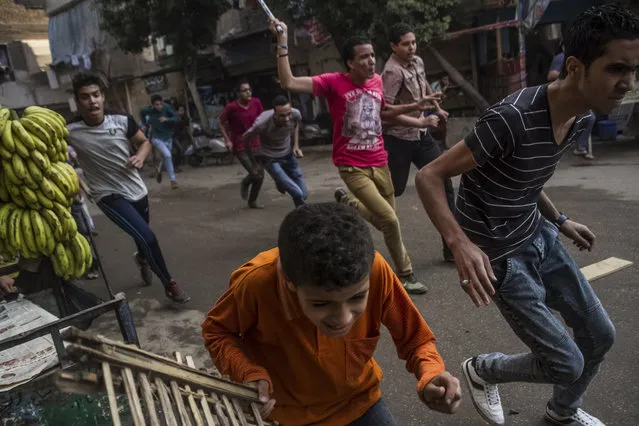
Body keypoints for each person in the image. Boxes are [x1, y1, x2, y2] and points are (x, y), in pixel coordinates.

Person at [415, 5, 638, 425]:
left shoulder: (580, 116)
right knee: (566, 363)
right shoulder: (511, 118)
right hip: (499, 256)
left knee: (600, 336)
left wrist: (559, 220)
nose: (627, 83)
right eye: (616, 69)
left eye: (633, 69)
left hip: (538, 236)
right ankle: (483, 369)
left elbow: (527, 176)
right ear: (576, 66)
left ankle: (562, 410)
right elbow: (430, 175)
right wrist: (460, 244)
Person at [202, 203, 461, 425]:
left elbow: (415, 337)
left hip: (360, 403)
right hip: (285, 415)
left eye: (357, 298)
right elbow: (217, 331)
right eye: (321, 304)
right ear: (290, 283)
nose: (343, 318)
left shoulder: (375, 270)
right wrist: (247, 372)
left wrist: (430, 373)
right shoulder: (257, 284)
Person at [269, 18, 440, 294]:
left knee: (387, 223)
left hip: (380, 161)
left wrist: (417, 111)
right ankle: (406, 275)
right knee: (391, 220)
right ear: (350, 63)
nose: (371, 61)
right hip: (352, 166)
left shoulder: (375, 82)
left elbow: (384, 113)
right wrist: (282, 40)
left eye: (372, 55)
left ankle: (350, 204)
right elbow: (287, 80)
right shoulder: (332, 83)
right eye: (364, 57)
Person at [67, 73, 191, 304]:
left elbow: (144, 142)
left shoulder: (122, 121)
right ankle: (169, 284)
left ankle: (142, 259)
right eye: (85, 97)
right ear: (77, 101)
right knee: (148, 237)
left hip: (136, 189)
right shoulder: (70, 131)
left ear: (103, 97)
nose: (92, 101)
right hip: (107, 194)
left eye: (96, 95)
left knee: (142, 236)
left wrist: (141, 157)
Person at [382, 23, 456, 262]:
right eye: (405, 44)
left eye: (413, 42)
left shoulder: (418, 62)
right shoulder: (392, 72)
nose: (411, 47)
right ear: (393, 46)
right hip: (398, 140)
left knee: (443, 181)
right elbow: (386, 113)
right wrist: (421, 123)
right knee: (395, 189)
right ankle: (354, 201)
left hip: (422, 139)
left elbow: (423, 86)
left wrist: (437, 108)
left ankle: (451, 248)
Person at [242, 95, 308, 208]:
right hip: (269, 157)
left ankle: (280, 182)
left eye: (288, 114)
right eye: (282, 116)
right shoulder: (261, 123)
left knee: (304, 194)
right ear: (274, 113)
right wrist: (253, 164)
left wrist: (296, 146)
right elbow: (245, 139)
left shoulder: (295, 114)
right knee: (298, 194)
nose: (287, 118)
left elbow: (296, 124)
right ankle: (299, 208)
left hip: (287, 153)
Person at [219, 80, 265, 209]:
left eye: (249, 89)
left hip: (256, 142)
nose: (248, 92)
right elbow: (221, 122)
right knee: (255, 173)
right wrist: (227, 140)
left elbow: (262, 119)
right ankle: (245, 182)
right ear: (238, 93)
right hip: (240, 144)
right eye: (244, 90)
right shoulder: (231, 107)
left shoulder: (256, 102)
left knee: (261, 174)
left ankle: (252, 201)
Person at [548, 43, 595, 160]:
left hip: (577, 96)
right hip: (564, 96)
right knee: (587, 117)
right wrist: (569, 73)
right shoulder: (560, 57)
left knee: (589, 117)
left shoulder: (581, 57)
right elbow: (550, 75)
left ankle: (579, 146)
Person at [140, 95, 180, 189]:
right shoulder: (148, 110)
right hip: (156, 138)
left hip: (168, 137)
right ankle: (173, 180)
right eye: (157, 105)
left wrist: (167, 119)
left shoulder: (167, 108)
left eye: (160, 104)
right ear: (153, 105)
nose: (159, 106)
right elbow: (141, 112)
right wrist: (144, 123)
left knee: (166, 157)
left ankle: (159, 169)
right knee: (168, 155)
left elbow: (177, 117)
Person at [172, 105, 192, 171]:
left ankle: (176, 165)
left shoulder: (185, 118)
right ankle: (175, 166)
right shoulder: (174, 118)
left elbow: (187, 128)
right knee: (179, 149)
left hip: (181, 136)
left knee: (181, 150)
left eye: (183, 110)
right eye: (180, 110)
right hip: (173, 136)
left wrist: (191, 136)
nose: (181, 112)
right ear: (177, 111)